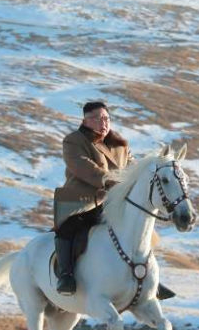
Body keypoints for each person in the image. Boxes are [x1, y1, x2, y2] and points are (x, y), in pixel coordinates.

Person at [53, 101, 175, 300]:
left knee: (141, 230)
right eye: (99, 118)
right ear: (86, 120)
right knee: (68, 229)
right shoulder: (74, 141)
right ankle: (66, 276)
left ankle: (148, 278)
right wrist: (108, 179)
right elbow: (83, 166)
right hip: (82, 200)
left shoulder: (120, 144)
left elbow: (132, 168)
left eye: (107, 118)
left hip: (113, 201)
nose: (104, 123)